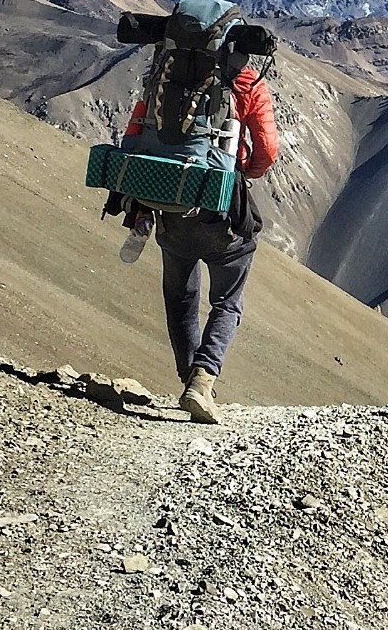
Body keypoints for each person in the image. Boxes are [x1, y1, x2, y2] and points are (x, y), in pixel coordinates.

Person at [119, 61, 279, 423]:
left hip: (169, 201)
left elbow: (135, 130)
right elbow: (268, 149)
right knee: (227, 301)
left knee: (179, 298)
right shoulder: (246, 81)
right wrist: (243, 172)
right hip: (220, 204)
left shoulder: (167, 71)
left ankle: (188, 378)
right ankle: (203, 381)